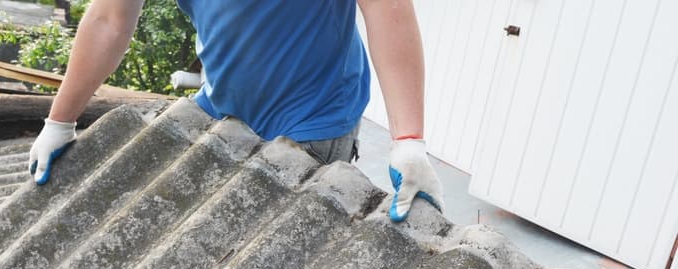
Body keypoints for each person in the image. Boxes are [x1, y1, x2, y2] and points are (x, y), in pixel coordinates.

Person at [28, 0, 444, 222]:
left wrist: (408, 140)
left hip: (313, 117)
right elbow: (108, 21)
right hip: (223, 109)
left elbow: (387, 9)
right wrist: (59, 121)